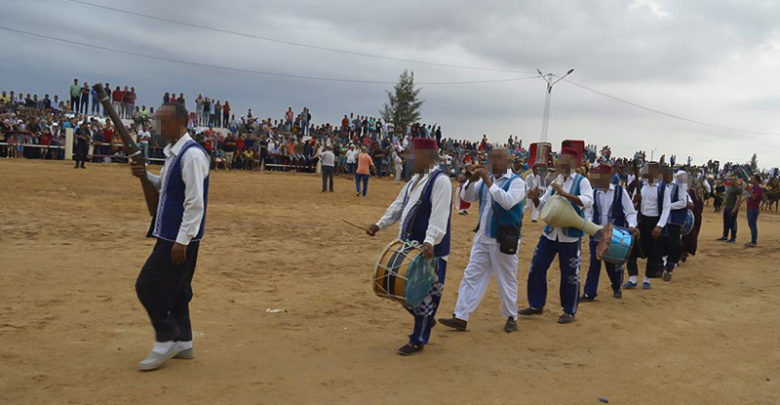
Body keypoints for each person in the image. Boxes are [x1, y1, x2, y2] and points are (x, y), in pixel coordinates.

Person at [129, 103, 210, 371]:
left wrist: (182, 240)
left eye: (163, 122)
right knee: (178, 291)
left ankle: (166, 338)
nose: (158, 127)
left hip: (178, 239)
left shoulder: (192, 156)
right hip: (171, 234)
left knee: (146, 286)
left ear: (180, 122)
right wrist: (146, 176)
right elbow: (167, 189)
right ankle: (184, 341)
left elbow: (195, 202)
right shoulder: (174, 154)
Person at [366, 138, 452, 355]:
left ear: (428, 157)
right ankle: (425, 320)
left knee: (425, 296)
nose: (409, 159)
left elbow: (439, 216)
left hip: (430, 250)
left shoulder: (441, 181)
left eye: (413, 155)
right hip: (411, 247)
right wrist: (379, 224)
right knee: (405, 293)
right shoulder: (415, 179)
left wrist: (430, 240)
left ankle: (418, 339)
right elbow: (398, 206)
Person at [439, 148, 526, 333]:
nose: (491, 164)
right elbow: (466, 198)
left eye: (496, 160)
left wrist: (486, 180)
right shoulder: (489, 180)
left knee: (506, 279)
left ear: (508, 162)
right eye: (490, 160)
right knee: (472, 275)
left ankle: (511, 316)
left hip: (504, 239)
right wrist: (471, 179)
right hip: (483, 237)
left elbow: (507, 202)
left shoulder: (517, 182)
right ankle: (461, 316)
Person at [520, 145, 593, 324]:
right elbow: (543, 206)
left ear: (574, 163)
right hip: (551, 234)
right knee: (536, 267)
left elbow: (588, 201)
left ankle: (569, 310)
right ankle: (536, 305)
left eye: (564, 161)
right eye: (560, 160)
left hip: (570, 235)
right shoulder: (556, 181)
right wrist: (535, 197)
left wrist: (565, 194)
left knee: (570, 274)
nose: (560, 163)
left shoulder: (582, 181)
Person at [581, 164, 637, 300]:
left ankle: (617, 286)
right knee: (594, 263)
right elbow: (588, 213)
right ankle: (590, 293)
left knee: (613, 264)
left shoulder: (620, 191)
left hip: (616, 233)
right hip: (597, 233)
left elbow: (630, 211)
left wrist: (632, 225)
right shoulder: (593, 192)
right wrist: (590, 226)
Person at [625, 162, 671, 289]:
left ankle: (647, 279)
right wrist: (635, 201)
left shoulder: (663, 189)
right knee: (632, 249)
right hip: (640, 221)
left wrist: (660, 226)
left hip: (655, 222)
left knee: (653, 251)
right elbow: (632, 208)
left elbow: (666, 209)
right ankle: (632, 278)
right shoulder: (640, 186)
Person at [660, 169, 690, 281]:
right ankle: (664, 264)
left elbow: (683, 202)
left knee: (673, 243)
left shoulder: (680, 184)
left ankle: (670, 266)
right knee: (663, 242)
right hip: (664, 219)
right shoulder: (663, 185)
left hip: (674, 219)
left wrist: (667, 206)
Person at [717, 176, 742, 243]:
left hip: (732, 208)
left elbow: (738, 200)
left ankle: (733, 237)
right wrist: (722, 206)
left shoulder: (737, 189)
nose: (730, 181)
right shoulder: (729, 188)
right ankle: (725, 236)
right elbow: (726, 198)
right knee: (726, 223)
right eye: (730, 180)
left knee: (732, 223)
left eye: (731, 180)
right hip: (727, 208)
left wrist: (735, 208)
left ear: (735, 181)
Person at [745, 174, 763, 247]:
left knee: (752, 225)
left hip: (754, 209)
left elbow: (754, 198)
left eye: (752, 179)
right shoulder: (753, 188)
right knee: (751, 224)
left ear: (756, 180)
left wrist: (750, 191)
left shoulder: (758, 188)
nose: (751, 180)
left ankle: (754, 241)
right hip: (750, 208)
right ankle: (753, 240)